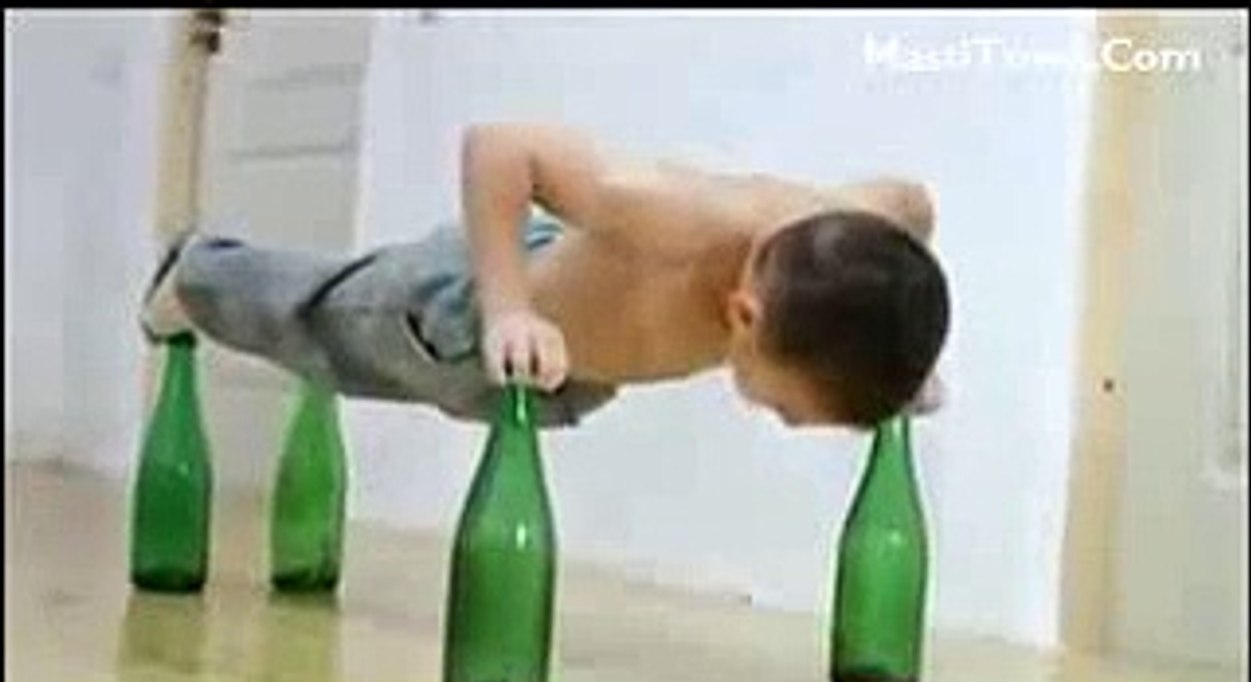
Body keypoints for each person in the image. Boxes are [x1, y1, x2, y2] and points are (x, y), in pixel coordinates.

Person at [142, 123, 950, 429]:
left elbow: (913, 201)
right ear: (743, 314)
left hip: (566, 375)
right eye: (783, 411)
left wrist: (902, 359)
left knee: (337, 364)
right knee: (319, 326)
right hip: (467, 312)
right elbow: (501, 146)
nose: (781, 420)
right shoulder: (669, 213)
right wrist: (507, 313)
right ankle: (196, 273)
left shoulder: (843, 233)